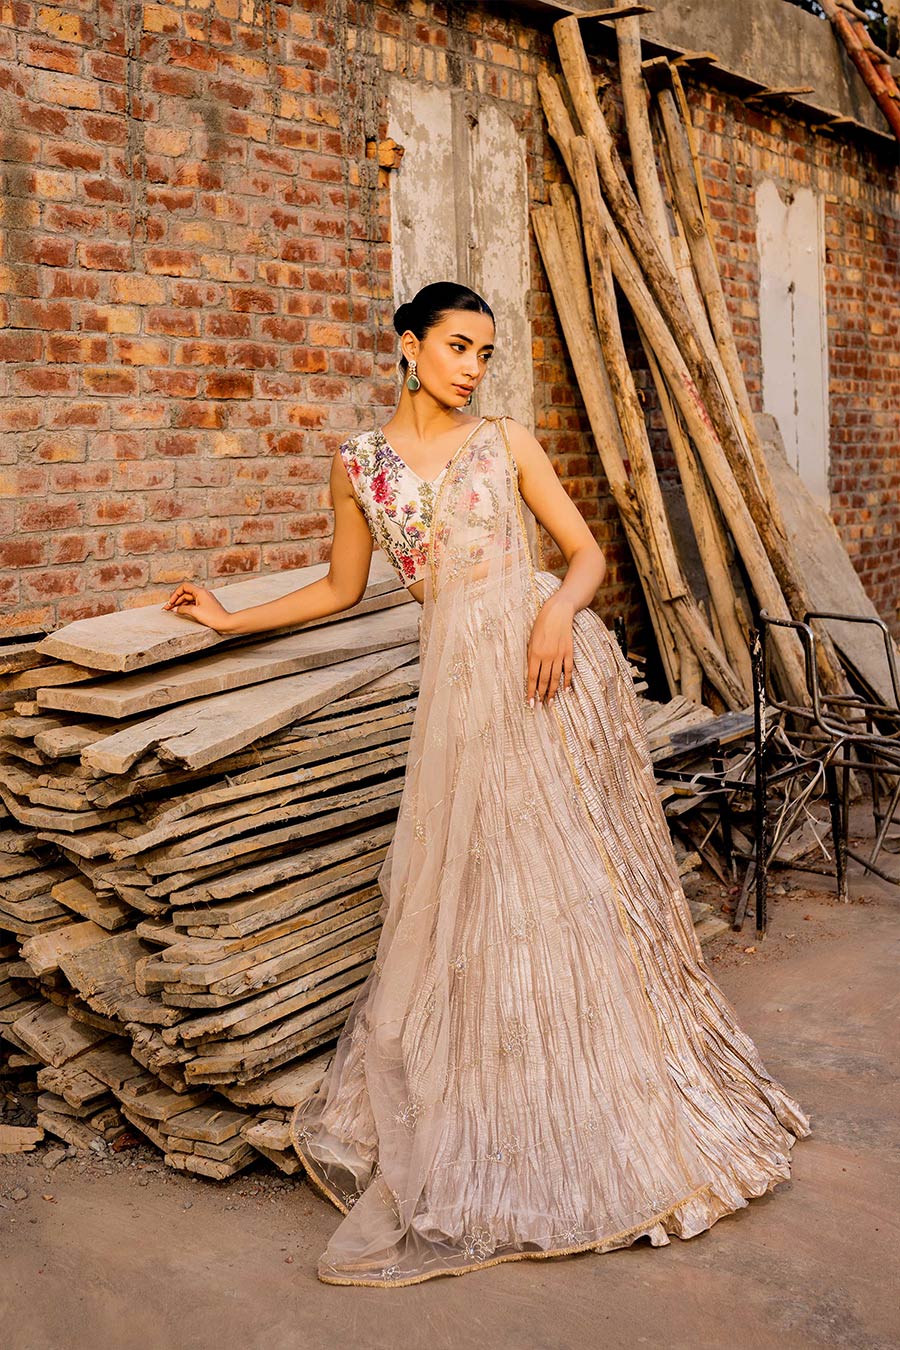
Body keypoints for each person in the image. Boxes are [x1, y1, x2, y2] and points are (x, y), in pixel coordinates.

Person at [164, 281, 811, 1289]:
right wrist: (227, 618)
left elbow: (590, 553)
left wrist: (555, 615)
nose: (472, 367)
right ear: (407, 345)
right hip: (457, 694)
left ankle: (603, 1093)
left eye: (485, 352)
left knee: (562, 877)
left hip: (542, 665)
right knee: (470, 890)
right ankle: (502, 1092)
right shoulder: (359, 467)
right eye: (458, 346)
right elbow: (340, 588)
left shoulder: (505, 439)